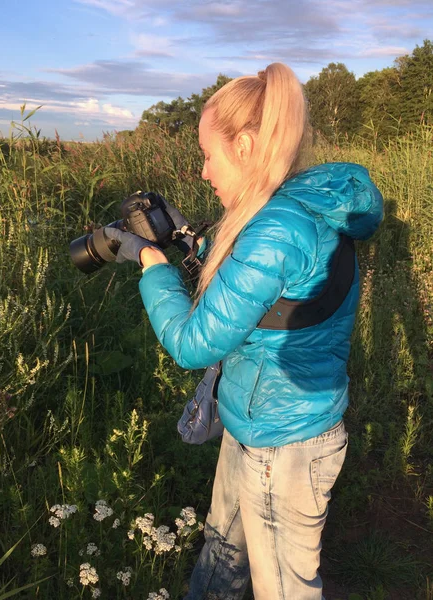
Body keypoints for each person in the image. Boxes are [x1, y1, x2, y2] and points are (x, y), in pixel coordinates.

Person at [104, 63, 383, 600]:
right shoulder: (290, 207)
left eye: (209, 155)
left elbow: (192, 344)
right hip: (253, 423)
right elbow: (255, 285)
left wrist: (150, 262)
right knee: (219, 564)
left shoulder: (276, 230)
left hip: (286, 448)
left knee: (284, 590)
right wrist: (192, 246)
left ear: (248, 145)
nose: (205, 172)